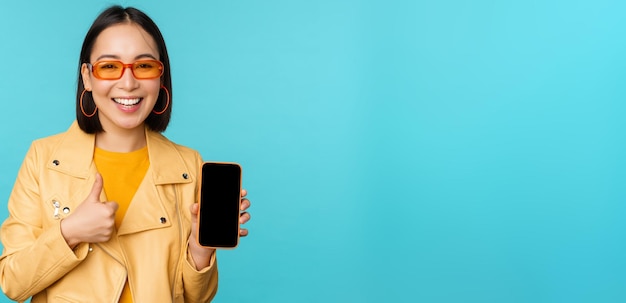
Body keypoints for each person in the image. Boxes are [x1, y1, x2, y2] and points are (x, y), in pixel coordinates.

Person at [0, 5, 251, 303]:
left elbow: (198, 297)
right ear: (88, 77)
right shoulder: (43, 159)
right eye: (109, 67)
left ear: (161, 77)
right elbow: (13, 283)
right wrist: (69, 233)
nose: (129, 82)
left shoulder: (189, 166)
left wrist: (200, 249)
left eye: (144, 66)